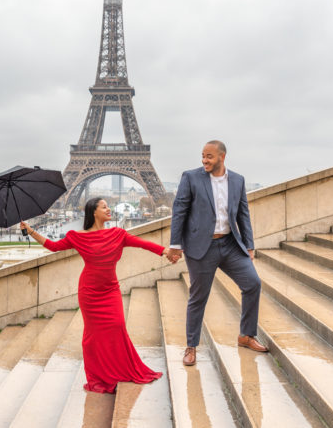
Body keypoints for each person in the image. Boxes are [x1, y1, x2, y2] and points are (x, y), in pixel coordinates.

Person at [20, 198, 175, 393]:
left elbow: (142, 243)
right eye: (104, 207)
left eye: (108, 206)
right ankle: (98, 376)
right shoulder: (77, 236)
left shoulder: (118, 234)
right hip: (90, 293)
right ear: (94, 212)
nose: (109, 209)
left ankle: (118, 369)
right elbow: (53, 246)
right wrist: (30, 230)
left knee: (117, 326)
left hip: (110, 290)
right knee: (93, 336)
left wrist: (165, 251)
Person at [168, 140, 268, 367]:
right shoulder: (191, 177)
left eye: (209, 157)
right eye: (203, 156)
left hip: (230, 244)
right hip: (201, 247)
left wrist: (249, 246)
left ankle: (246, 335)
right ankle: (191, 346)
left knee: (252, 284)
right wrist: (175, 244)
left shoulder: (238, 180)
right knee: (198, 298)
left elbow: (243, 214)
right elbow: (179, 211)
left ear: (222, 157)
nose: (204, 160)